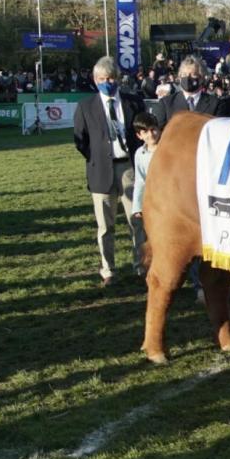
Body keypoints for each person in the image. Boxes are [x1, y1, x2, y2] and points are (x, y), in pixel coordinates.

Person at [72, 56, 144, 287]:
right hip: (100, 171)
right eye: (102, 79)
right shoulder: (85, 106)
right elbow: (80, 140)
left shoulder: (134, 102)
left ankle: (141, 266)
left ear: (118, 79)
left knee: (138, 222)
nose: (107, 82)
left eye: (110, 78)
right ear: (95, 80)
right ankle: (108, 270)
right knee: (105, 226)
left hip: (129, 169)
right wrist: (97, 159)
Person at [130, 112, 161, 278]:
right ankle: (148, 268)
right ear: (139, 135)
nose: (151, 134)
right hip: (152, 202)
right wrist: (137, 207)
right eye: (146, 132)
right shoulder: (139, 154)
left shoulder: (168, 148)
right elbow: (140, 181)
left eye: (153, 129)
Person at [153, 55, 218, 129]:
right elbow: (160, 134)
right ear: (179, 77)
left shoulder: (215, 104)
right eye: (184, 74)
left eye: (193, 75)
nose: (187, 78)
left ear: (201, 78)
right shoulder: (166, 104)